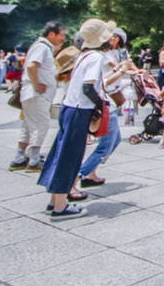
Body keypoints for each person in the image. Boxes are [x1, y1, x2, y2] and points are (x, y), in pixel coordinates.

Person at [38, 19, 127, 220]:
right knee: (70, 157)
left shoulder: (82, 55)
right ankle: (61, 207)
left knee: (60, 154)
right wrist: (99, 105)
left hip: (68, 107)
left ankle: (54, 201)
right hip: (80, 110)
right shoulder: (95, 57)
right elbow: (89, 88)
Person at [77, 27, 137, 188]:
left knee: (114, 139)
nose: (112, 39)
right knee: (106, 144)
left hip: (107, 99)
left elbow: (123, 67)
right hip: (104, 100)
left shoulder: (114, 52)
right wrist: (122, 69)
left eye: (116, 37)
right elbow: (102, 81)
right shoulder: (99, 56)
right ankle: (76, 178)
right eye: (109, 36)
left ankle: (90, 173)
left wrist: (130, 69)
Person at [9, 22, 66, 172]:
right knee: (41, 125)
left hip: (33, 94)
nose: (63, 38)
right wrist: (36, 84)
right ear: (52, 34)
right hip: (37, 94)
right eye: (61, 35)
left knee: (28, 126)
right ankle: (34, 160)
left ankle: (19, 158)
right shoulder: (42, 47)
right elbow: (31, 66)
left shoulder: (41, 46)